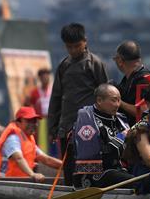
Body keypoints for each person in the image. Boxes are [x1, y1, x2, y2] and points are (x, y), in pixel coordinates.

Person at [46, 23, 108, 179]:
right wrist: (52, 128)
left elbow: (106, 94)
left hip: (89, 126)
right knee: (69, 168)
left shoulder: (94, 63)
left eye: (77, 46)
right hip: (66, 126)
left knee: (89, 166)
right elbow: (56, 97)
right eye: (69, 47)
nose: (73, 50)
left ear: (85, 41)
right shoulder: (64, 65)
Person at [71, 84, 132, 189]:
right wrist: (122, 137)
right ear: (99, 100)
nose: (117, 105)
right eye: (113, 100)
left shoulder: (119, 119)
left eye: (119, 100)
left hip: (119, 170)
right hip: (94, 175)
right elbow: (102, 156)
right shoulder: (87, 122)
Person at [0, 106, 62, 180]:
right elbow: (18, 158)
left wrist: (67, 166)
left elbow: (46, 159)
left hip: (17, 182)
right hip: (4, 183)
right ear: (18, 122)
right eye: (29, 121)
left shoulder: (28, 138)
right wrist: (32, 174)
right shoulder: (13, 138)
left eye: (34, 121)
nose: (33, 124)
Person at [114, 40, 150, 125]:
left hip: (140, 131)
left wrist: (118, 102)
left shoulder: (144, 80)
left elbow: (144, 111)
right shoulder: (128, 79)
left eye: (115, 59)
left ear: (120, 61)